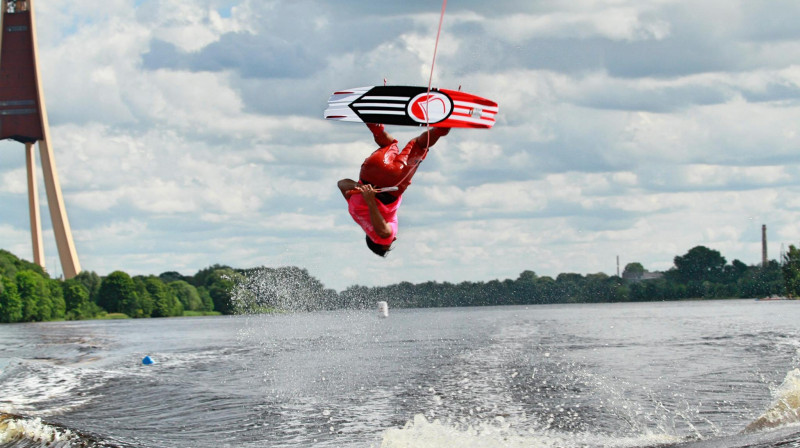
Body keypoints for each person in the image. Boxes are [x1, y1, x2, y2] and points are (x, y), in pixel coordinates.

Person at [338, 122, 450, 257]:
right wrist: (359, 187)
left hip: (393, 180)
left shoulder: (382, 236)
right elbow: (341, 184)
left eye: (390, 243)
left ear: (377, 240)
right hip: (372, 167)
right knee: (389, 144)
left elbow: (384, 233)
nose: (394, 238)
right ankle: (376, 128)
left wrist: (370, 201)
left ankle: (441, 129)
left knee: (419, 145)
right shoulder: (355, 213)